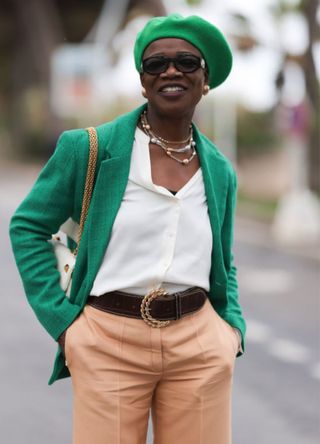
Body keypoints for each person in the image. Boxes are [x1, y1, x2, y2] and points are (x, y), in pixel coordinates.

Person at [10, 13, 246, 444]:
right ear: (142, 81)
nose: (171, 71)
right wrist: (64, 323)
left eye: (187, 62)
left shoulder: (220, 170)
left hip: (198, 343)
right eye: (156, 64)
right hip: (108, 340)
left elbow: (224, 261)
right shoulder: (88, 149)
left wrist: (230, 330)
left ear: (205, 79)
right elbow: (27, 227)